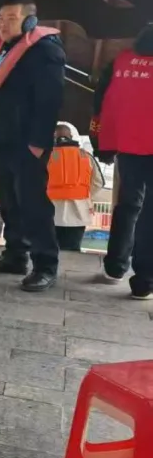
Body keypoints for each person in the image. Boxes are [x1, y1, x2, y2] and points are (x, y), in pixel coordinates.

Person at [0, 0, 66, 292]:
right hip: (0, 140)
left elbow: (50, 100)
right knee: (8, 202)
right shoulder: (6, 50)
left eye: (11, 19)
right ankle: (15, 255)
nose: (2, 24)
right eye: (0, 19)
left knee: (32, 204)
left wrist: (38, 143)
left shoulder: (45, 51)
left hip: (26, 143)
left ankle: (45, 265)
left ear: (30, 21)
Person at [89, 22, 153, 297]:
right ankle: (145, 281)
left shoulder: (120, 62)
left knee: (128, 204)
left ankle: (115, 267)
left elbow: (100, 102)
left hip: (128, 146)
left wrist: (101, 142)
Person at [49, 123, 104, 252]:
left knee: (50, 251)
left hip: (51, 214)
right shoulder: (86, 156)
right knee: (72, 253)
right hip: (79, 215)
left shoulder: (47, 156)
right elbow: (99, 182)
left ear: (53, 137)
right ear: (71, 136)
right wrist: (84, 196)